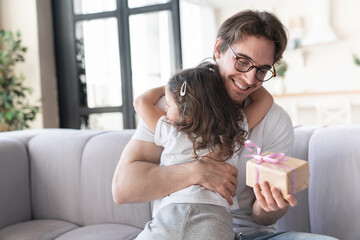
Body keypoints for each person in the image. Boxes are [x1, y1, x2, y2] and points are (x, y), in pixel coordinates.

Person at [112, 10, 338, 240]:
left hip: (252, 234)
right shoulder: (175, 109)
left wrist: (273, 204)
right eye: (242, 61)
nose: (250, 80)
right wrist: (197, 171)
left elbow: (262, 217)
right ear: (218, 49)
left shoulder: (273, 119)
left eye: (261, 70)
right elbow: (123, 188)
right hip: (179, 227)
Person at [133, 62, 273, 240]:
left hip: (171, 219)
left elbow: (141, 101)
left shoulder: (172, 132)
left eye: (169, 104)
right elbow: (265, 100)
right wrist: (222, 82)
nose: (166, 109)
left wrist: (170, 86)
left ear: (187, 109)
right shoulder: (231, 132)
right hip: (216, 222)